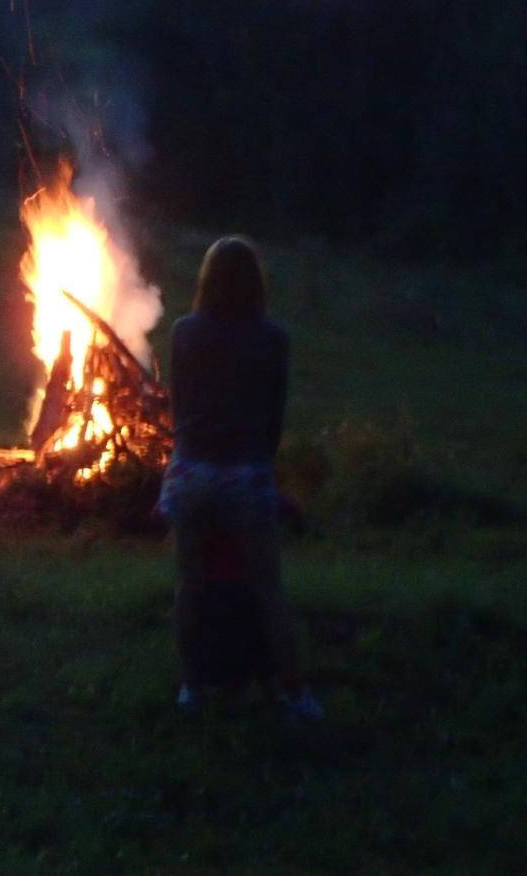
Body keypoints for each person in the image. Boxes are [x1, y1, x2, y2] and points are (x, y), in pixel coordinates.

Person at [157, 236, 323, 721]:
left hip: (190, 470)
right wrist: (254, 462)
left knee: (189, 584)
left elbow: (178, 408)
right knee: (267, 586)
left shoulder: (185, 332)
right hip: (245, 470)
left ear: (206, 280)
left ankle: (191, 687)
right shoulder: (273, 339)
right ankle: (296, 695)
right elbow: (274, 417)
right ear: (257, 284)